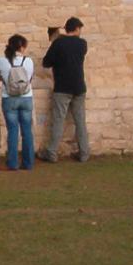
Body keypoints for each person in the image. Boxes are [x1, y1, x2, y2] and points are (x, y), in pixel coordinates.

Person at [38, 16, 89, 163]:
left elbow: (46, 62)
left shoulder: (58, 44)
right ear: (77, 29)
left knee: (58, 121)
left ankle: (52, 152)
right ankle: (84, 153)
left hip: (62, 87)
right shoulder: (82, 44)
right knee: (80, 121)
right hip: (79, 86)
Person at [0, 33, 35, 171]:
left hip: (9, 97)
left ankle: (12, 163)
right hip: (26, 97)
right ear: (22, 47)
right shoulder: (28, 61)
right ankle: (28, 163)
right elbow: (30, 77)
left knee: (12, 130)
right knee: (27, 130)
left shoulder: (2, 61)